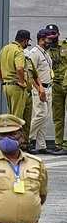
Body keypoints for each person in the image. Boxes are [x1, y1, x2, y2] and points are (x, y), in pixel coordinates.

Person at [27, 29, 53, 154]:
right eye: (48, 39)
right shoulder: (34, 53)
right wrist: (39, 89)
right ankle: (26, 140)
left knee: (45, 117)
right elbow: (30, 74)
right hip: (39, 88)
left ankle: (41, 146)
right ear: (41, 39)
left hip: (48, 88)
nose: (50, 41)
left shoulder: (45, 53)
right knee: (40, 115)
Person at [46, 24, 67, 155]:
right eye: (49, 34)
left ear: (58, 34)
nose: (51, 36)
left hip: (66, 83)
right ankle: (59, 144)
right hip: (55, 85)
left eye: (53, 33)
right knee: (57, 117)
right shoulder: (45, 50)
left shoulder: (64, 46)